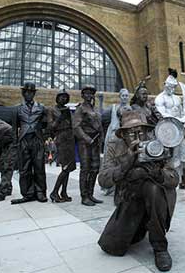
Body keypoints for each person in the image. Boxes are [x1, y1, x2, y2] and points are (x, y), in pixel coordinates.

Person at [98, 111, 178, 272]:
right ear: (123, 134)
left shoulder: (157, 145)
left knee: (154, 189)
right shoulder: (114, 146)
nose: (136, 135)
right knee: (111, 246)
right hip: (130, 196)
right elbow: (103, 180)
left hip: (156, 196)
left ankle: (160, 247)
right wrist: (125, 165)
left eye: (140, 131)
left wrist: (158, 173)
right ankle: (142, 226)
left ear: (146, 131)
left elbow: (174, 178)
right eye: (130, 132)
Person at [11, 82, 48, 204]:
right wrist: (15, 143)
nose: (29, 94)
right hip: (23, 140)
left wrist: (44, 138)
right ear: (23, 93)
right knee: (24, 169)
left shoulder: (41, 107)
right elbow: (14, 127)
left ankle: (40, 192)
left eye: (32, 92)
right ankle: (27, 194)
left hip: (37, 139)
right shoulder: (17, 108)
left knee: (39, 168)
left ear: (34, 93)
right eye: (27, 92)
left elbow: (47, 124)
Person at [155, 69, 185, 182]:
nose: (172, 89)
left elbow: (181, 112)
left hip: (178, 130)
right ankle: (167, 178)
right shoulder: (159, 98)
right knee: (167, 156)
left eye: (174, 87)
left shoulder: (177, 98)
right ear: (165, 85)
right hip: (166, 130)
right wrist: (179, 119)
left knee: (180, 154)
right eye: (169, 86)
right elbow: (163, 114)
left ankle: (179, 178)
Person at [73, 85, 104, 206]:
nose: (89, 96)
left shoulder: (94, 109)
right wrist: (87, 139)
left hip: (95, 142)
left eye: (91, 93)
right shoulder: (80, 109)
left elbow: (99, 125)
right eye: (86, 93)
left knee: (95, 168)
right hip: (85, 142)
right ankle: (84, 196)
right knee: (85, 168)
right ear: (82, 95)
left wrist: (100, 139)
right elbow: (76, 126)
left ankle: (90, 194)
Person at [48, 89, 76, 203]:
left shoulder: (67, 110)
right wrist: (61, 117)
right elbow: (51, 127)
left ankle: (63, 192)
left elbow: (72, 124)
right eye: (61, 96)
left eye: (65, 97)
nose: (63, 99)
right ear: (57, 98)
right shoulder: (52, 110)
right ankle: (54, 192)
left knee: (68, 167)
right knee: (65, 167)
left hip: (70, 137)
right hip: (61, 137)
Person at [102, 88, 131, 196]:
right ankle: (109, 185)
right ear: (120, 96)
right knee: (111, 159)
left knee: (123, 159)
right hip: (113, 135)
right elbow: (103, 116)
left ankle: (123, 185)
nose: (125, 97)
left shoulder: (130, 109)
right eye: (123, 95)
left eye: (126, 95)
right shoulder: (114, 107)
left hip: (125, 136)